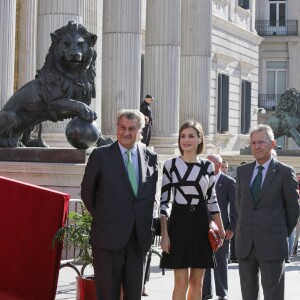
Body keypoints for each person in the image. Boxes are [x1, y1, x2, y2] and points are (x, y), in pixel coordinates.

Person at [81, 109, 158, 300]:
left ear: (140, 130)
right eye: (122, 127)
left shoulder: (151, 157)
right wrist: (105, 217)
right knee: (107, 295)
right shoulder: (100, 155)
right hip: (107, 238)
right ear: (117, 128)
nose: (126, 133)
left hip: (138, 239)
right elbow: (87, 193)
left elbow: (148, 195)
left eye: (132, 128)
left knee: (134, 295)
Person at [160, 120, 225, 300]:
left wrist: (220, 230)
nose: (186, 140)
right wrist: (164, 234)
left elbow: (212, 200)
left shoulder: (208, 166)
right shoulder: (170, 165)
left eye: (191, 136)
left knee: (198, 282)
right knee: (180, 283)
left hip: (201, 224)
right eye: (182, 136)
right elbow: (164, 201)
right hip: (178, 223)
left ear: (199, 139)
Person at [235, 124, 299, 300]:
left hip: (273, 243)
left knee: (273, 295)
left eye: (260, 142)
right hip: (245, 243)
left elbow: (293, 208)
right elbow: (240, 204)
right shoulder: (242, 171)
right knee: (248, 295)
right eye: (253, 142)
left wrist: (279, 231)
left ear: (272, 144)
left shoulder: (285, 172)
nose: (256, 146)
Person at [202, 154, 237, 300]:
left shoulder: (228, 182)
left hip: (221, 229)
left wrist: (231, 228)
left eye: (208, 163)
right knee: (204, 260)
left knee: (221, 261)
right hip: (202, 227)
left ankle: (222, 292)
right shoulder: (201, 180)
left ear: (217, 164)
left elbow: (235, 207)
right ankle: (205, 292)